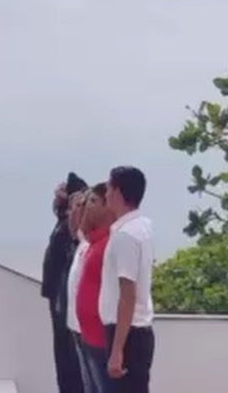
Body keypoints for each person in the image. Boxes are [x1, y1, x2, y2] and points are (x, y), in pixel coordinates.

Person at [100, 166, 155, 393]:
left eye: (109, 189)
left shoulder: (126, 234)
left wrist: (117, 350)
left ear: (119, 192)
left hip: (128, 333)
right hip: (137, 333)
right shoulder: (142, 227)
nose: (106, 195)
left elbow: (127, 293)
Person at [41, 171, 86, 393]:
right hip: (58, 299)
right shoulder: (62, 223)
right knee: (63, 361)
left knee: (72, 363)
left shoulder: (75, 233)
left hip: (67, 305)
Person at [76, 183, 113, 393]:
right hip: (87, 333)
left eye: (92, 201)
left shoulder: (111, 243)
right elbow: (80, 231)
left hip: (102, 337)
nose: (87, 207)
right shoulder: (94, 242)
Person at [66, 189, 91, 390]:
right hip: (76, 326)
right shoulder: (83, 244)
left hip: (90, 331)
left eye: (80, 207)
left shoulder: (96, 245)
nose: (73, 213)